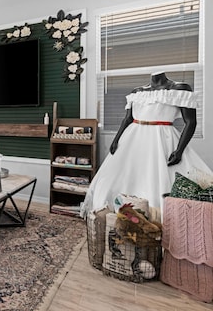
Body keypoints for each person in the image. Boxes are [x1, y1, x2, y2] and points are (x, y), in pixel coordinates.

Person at [81, 72, 211, 218]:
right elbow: (128, 119)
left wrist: (179, 150)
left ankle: (159, 219)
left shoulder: (180, 88)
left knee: (156, 178)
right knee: (119, 177)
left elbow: (191, 122)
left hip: (162, 139)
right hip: (132, 138)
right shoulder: (137, 92)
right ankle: (115, 217)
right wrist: (116, 139)